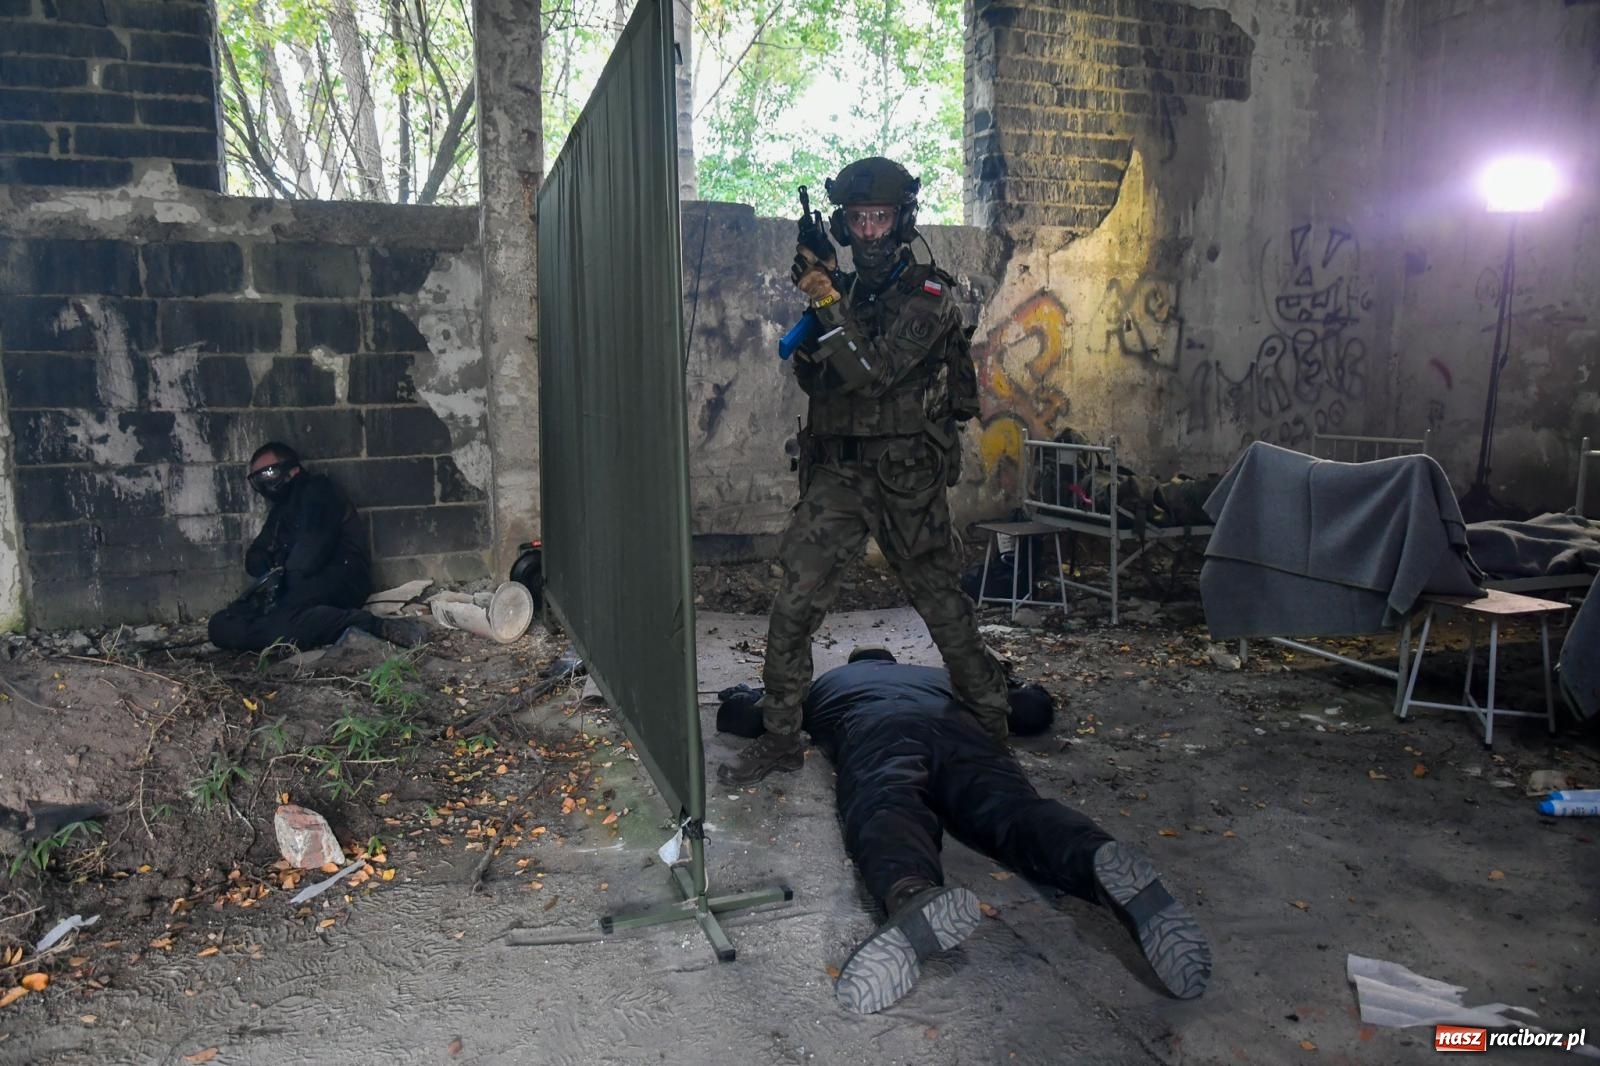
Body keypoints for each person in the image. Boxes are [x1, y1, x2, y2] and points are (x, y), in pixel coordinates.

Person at [717, 156, 1013, 787]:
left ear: (901, 221)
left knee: (939, 603)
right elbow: (817, 374)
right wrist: (825, 306)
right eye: (858, 219)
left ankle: (990, 725)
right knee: (793, 602)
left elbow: (874, 374)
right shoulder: (847, 293)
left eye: (880, 218)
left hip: (906, 475)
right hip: (839, 476)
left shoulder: (928, 295)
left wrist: (826, 300)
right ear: (845, 227)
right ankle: (779, 735)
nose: (870, 231)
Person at [716, 648, 1213, 1014]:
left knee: (886, 801)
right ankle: (1094, 858)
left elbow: (744, 718)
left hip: (880, 729)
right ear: (894, 660)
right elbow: (1034, 711)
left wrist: (740, 696)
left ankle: (910, 892)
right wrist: (1020, 685)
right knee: (1013, 811)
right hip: (962, 729)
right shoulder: (940, 676)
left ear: (855, 659)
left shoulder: (831, 683)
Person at [207, 442, 427, 653]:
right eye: (258, 479)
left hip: (340, 577)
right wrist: (267, 569)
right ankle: (293, 625)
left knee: (282, 616)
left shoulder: (318, 490)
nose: (264, 483)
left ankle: (371, 626)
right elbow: (255, 555)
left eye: (269, 474)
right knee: (221, 626)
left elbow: (310, 555)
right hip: (294, 585)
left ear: (292, 470)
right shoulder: (280, 511)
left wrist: (280, 583)